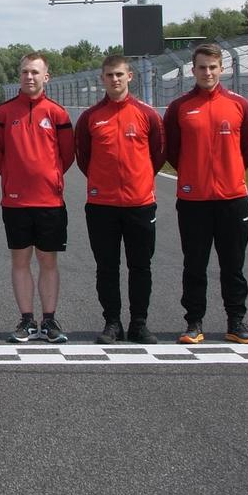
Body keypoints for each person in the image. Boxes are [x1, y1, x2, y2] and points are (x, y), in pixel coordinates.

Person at [163, 43, 248, 345]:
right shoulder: (179, 107)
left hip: (232, 198)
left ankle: (236, 321)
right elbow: (172, 150)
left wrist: (230, 172)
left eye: (213, 67)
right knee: (194, 265)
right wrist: (193, 173)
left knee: (233, 265)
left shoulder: (239, 105)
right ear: (193, 70)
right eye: (202, 67)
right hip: (194, 200)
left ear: (222, 69)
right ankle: (194, 322)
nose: (207, 72)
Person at [75, 54, 167, 343]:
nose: (114, 79)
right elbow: (84, 158)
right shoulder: (90, 117)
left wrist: (139, 181)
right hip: (102, 204)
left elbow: (158, 154)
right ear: (102, 79)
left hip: (140, 203)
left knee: (140, 266)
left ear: (130, 76)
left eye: (119, 74)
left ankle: (139, 323)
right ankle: (112, 322)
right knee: (107, 267)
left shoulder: (147, 114)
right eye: (109, 75)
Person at [0, 52, 75, 343]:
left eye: (35, 72)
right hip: (16, 201)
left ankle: (49, 320)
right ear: (19, 76)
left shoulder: (57, 113)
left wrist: (49, 178)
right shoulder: (3, 113)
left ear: (46, 77)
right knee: (20, 261)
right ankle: (26, 320)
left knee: (48, 261)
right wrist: (14, 178)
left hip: (50, 201)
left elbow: (66, 155)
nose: (29, 77)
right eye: (25, 72)